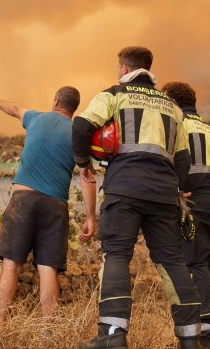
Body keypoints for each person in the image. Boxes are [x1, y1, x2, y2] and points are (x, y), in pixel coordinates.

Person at [72, 46, 201, 349]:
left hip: (125, 188)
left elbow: (81, 125)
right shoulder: (173, 108)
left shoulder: (114, 94)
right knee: (172, 261)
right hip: (163, 194)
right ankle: (191, 338)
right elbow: (183, 158)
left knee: (117, 254)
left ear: (123, 69)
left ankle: (113, 336)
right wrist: (176, 188)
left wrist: (83, 163)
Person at [0, 87, 96, 329]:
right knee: (48, 270)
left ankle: (0, 327)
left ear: (55, 100)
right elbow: (88, 176)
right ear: (74, 108)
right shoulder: (78, 132)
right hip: (55, 206)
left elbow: (13, 108)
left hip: (23, 201)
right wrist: (90, 216)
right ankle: (48, 332)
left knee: (11, 265)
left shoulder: (36, 118)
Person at [162, 82, 210, 349]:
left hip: (195, 203)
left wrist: (183, 189)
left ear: (172, 101)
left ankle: (205, 334)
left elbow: (174, 159)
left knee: (195, 264)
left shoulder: (177, 123)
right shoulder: (209, 129)